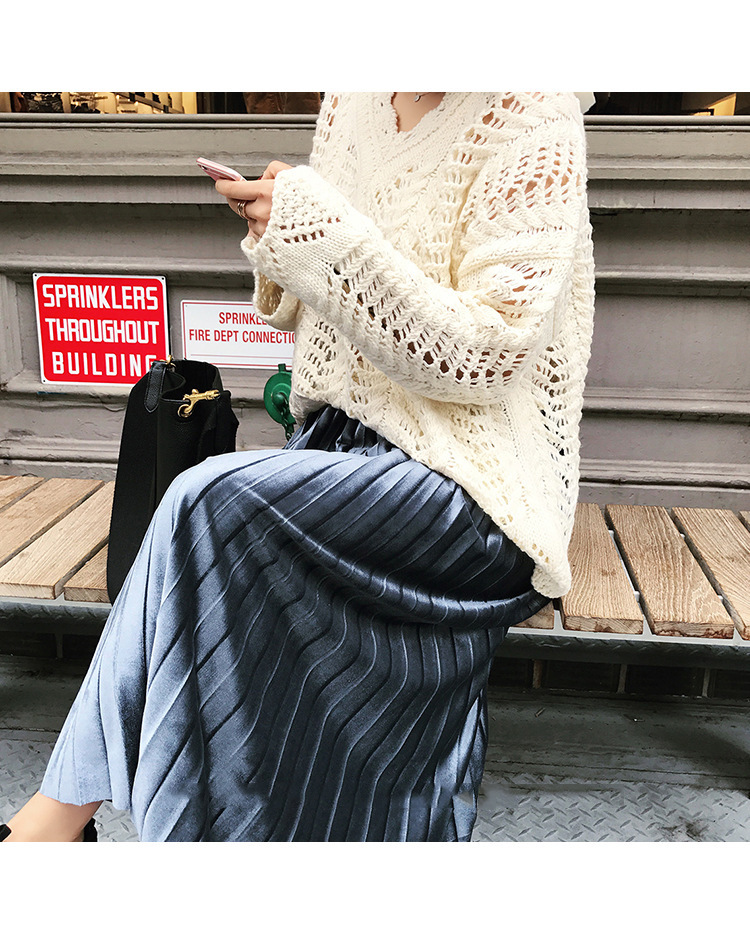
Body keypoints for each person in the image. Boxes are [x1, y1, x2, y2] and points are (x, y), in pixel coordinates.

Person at [1, 92, 596, 842]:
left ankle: (50, 830)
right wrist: (282, 233)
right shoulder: (353, 98)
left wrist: (317, 232)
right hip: (340, 449)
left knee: (206, 504)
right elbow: (320, 313)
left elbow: (487, 358)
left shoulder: (532, 109)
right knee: (206, 531)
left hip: (476, 484)